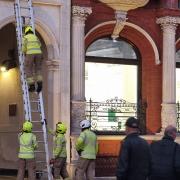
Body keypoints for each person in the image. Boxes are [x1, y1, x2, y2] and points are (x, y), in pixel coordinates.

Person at [22, 26, 43, 93]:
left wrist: (24, 52)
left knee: (28, 68)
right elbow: (40, 44)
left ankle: (32, 86)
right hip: (39, 53)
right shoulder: (35, 37)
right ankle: (39, 83)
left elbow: (23, 48)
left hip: (30, 53)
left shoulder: (25, 37)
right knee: (38, 68)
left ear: (26, 32)